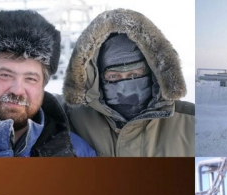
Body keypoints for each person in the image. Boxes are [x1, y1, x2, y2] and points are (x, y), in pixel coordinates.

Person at [0, 10, 96, 157]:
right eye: (5, 75)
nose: (17, 90)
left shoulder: (77, 154)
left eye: (30, 79)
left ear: (43, 85)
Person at [62, 8, 195, 156]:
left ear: (152, 74)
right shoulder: (70, 119)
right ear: (98, 78)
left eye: (134, 75)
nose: (125, 87)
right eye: (113, 76)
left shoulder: (190, 122)